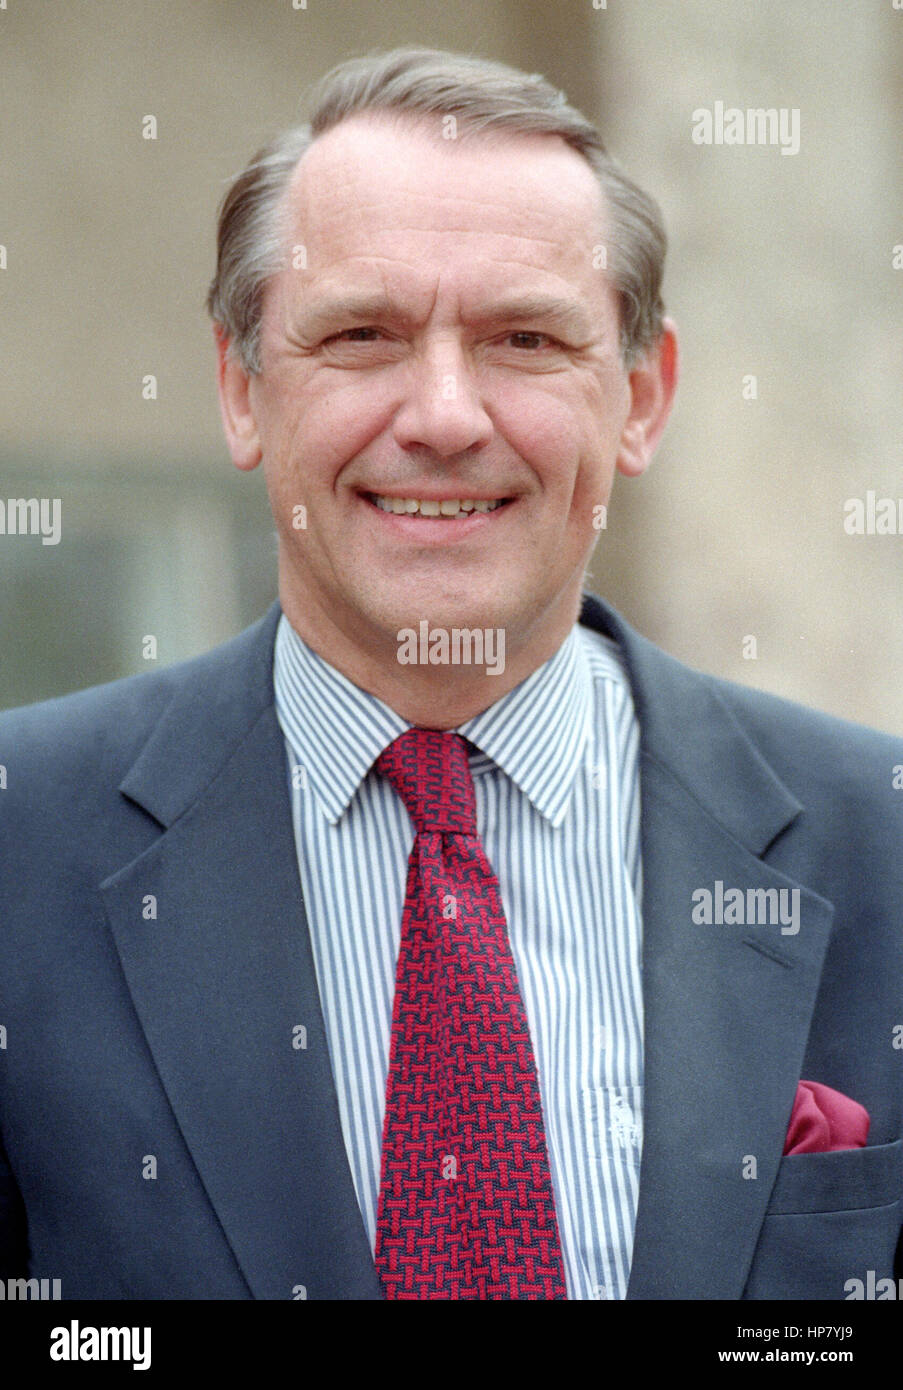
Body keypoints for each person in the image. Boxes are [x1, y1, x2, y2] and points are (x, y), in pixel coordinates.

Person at [0, 46, 900, 1302]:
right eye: (361, 335)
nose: (443, 415)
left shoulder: (882, 838)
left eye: (525, 337)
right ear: (240, 388)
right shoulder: (19, 840)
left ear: (641, 397)